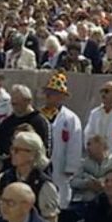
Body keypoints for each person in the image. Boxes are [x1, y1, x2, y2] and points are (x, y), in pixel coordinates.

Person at [0, 130, 58, 222]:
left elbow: (51, 219)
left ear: (32, 154)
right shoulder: (5, 177)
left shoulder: (44, 185)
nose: (12, 153)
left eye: (17, 150)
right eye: (12, 149)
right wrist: (3, 205)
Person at [39, 72, 84, 210]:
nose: (48, 96)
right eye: (48, 92)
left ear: (61, 96)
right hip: (41, 164)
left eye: (53, 92)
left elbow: (75, 144)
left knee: (60, 200)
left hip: (60, 166)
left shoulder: (71, 118)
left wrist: (71, 167)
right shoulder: (38, 115)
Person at [0, 85, 50, 160]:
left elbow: (45, 149)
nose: (13, 103)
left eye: (16, 101)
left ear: (27, 101)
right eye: (12, 101)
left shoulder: (39, 122)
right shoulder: (7, 123)